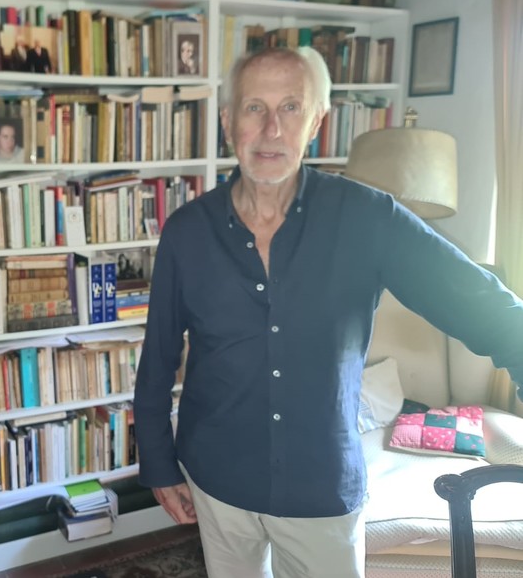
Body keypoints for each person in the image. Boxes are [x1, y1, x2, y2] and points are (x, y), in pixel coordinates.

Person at [133, 46, 523, 578]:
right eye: (254, 107)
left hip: (321, 486)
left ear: (317, 121)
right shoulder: (187, 232)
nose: (271, 129)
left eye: (291, 107)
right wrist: (159, 463)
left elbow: (477, 300)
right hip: (217, 477)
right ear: (228, 121)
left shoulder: (368, 218)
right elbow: (157, 359)